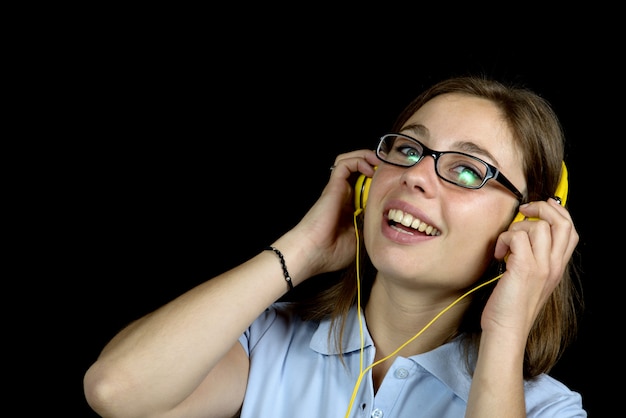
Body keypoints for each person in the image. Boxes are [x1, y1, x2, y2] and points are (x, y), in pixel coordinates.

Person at [84, 75, 585, 417]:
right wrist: (303, 247)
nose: (415, 176)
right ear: (367, 185)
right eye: (408, 149)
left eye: (468, 170)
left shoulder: (545, 408)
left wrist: (506, 329)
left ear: (526, 223)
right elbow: (116, 390)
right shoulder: (265, 344)